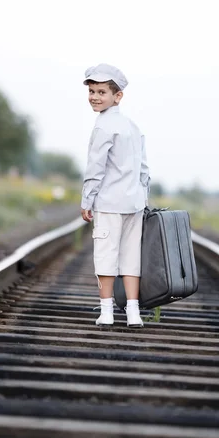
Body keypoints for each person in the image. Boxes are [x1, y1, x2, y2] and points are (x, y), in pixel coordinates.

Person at [80, 63, 150, 327]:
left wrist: (87, 200)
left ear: (117, 96)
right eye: (92, 91)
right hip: (134, 203)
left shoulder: (103, 127)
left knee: (106, 255)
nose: (95, 97)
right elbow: (144, 169)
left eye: (101, 92)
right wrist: (144, 199)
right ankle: (133, 313)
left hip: (109, 203)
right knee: (131, 256)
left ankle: (107, 311)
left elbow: (95, 168)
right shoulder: (132, 126)